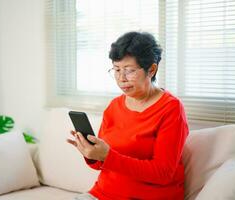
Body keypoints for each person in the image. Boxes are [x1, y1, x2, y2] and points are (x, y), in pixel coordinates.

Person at [67, 31, 189, 200]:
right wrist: (91, 154)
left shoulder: (171, 108)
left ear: (151, 69)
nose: (121, 79)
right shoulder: (114, 106)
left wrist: (107, 156)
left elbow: (163, 173)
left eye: (129, 70)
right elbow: (103, 164)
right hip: (103, 194)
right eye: (116, 70)